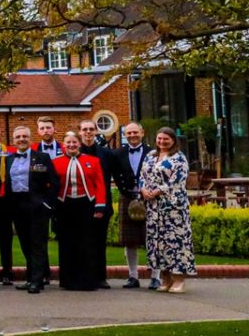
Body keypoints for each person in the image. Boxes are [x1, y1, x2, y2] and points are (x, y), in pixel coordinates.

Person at [0, 126, 57, 294]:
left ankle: (37, 281)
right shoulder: (9, 159)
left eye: (25, 136)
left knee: (37, 244)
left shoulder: (42, 158)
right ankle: (31, 278)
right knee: (25, 243)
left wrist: (47, 204)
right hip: (17, 205)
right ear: (13, 140)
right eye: (18, 137)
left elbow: (53, 183)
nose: (21, 139)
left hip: (37, 205)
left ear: (30, 139)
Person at [140, 127, 195, 295]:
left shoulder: (179, 158)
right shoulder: (150, 156)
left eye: (166, 139)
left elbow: (177, 180)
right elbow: (142, 176)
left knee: (175, 242)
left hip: (173, 208)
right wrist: (143, 189)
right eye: (159, 138)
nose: (162, 142)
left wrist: (159, 190)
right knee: (158, 242)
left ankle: (179, 279)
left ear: (173, 141)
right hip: (153, 208)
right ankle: (165, 278)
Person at [54, 132, 112, 291]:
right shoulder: (55, 162)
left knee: (87, 243)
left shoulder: (93, 161)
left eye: (74, 142)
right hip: (64, 205)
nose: (71, 145)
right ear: (64, 145)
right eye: (68, 142)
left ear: (79, 144)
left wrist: (100, 205)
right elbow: (52, 185)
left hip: (86, 205)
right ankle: (68, 281)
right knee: (67, 243)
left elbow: (100, 184)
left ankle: (88, 280)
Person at [112, 121, 152, 288]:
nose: (132, 135)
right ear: (125, 135)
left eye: (135, 132)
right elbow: (115, 173)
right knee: (130, 240)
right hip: (127, 196)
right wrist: (126, 191)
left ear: (142, 133)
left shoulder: (152, 153)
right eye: (129, 133)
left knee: (152, 238)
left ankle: (155, 276)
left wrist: (147, 191)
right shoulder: (118, 153)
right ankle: (133, 275)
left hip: (150, 198)